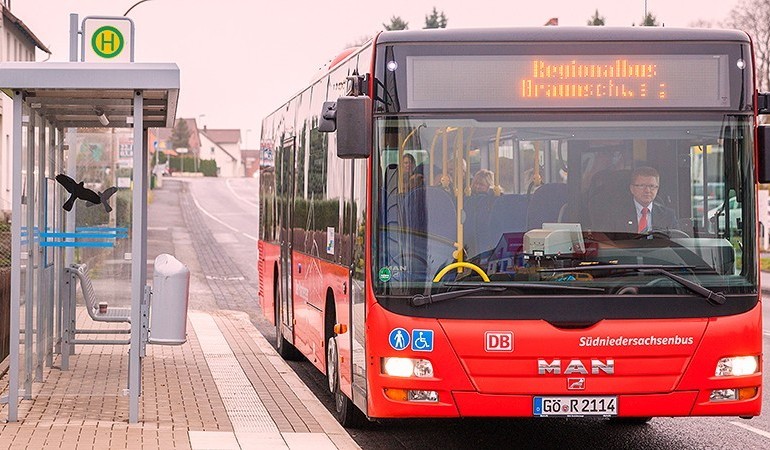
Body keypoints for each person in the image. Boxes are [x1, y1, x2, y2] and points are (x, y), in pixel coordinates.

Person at [600, 166, 677, 233]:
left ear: (657, 189)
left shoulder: (668, 216)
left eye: (652, 186)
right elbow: (607, 243)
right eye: (642, 186)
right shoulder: (615, 214)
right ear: (632, 189)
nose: (647, 190)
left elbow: (677, 245)